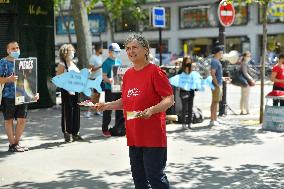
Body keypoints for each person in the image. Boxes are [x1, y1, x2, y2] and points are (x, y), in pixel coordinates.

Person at [95, 34, 174, 189]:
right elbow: (125, 101)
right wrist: (106, 105)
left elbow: (169, 99)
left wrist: (152, 110)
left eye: (135, 47)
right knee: (139, 181)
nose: (131, 51)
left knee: (156, 178)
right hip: (134, 135)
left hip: (153, 136)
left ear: (145, 50)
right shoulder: (128, 74)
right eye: (128, 48)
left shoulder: (155, 72)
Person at [0, 41, 38, 152]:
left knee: (22, 120)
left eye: (17, 48)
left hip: (23, 95)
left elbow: (30, 80)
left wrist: (33, 93)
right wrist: (8, 79)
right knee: (9, 120)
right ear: (8, 50)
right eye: (13, 48)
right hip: (8, 96)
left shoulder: (24, 62)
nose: (16, 50)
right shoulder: (3, 62)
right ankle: (12, 145)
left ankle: (16, 143)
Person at [56, 44, 83, 142]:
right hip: (67, 91)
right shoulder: (62, 64)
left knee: (76, 110)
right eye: (70, 51)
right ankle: (67, 132)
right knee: (67, 111)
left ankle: (75, 132)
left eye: (73, 51)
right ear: (65, 52)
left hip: (75, 90)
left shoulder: (73, 63)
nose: (72, 53)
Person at [101, 43, 124, 137]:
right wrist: (109, 80)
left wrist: (122, 80)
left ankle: (119, 127)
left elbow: (120, 74)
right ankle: (105, 129)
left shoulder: (118, 61)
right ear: (110, 52)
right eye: (116, 51)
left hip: (118, 88)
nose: (117, 53)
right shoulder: (106, 63)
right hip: (109, 89)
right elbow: (104, 76)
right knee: (108, 109)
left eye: (118, 51)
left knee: (119, 109)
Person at [85, 44, 103, 117]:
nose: (102, 50)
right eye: (102, 49)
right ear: (99, 49)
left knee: (98, 95)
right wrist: (100, 66)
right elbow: (91, 69)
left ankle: (96, 110)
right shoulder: (93, 57)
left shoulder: (100, 57)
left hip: (100, 78)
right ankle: (88, 112)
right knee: (95, 95)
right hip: (94, 79)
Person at [178, 56, 195, 129]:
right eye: (187, 61)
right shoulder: (181, 71)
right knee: (184, 107)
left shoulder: (192, 71)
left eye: (190, 61)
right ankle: (183, 123)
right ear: (184, 62)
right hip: (184, 91)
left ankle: (189, 123)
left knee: (190, 107)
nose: (188, 62)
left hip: (191, 91)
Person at [210, 45, 224, 126]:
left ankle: (215, 119)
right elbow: (212, 73)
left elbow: (216, 74)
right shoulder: (215, 61)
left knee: (216, 102)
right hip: (216, 85)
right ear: (218, 53)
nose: (222, 53)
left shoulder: (216, 61)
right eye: (221, 52)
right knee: (215, 102)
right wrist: (217, 84)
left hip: (217, 84)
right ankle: (212, 120)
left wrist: (223, 78)